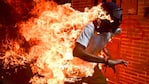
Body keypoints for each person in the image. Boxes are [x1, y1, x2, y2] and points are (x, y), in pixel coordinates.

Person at [67, 2, 128, 84]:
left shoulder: (114, 30)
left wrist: (108, 55)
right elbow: (77, 52)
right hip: (75, 68)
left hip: (92, 66)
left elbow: (98, 43)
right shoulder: (89, 28)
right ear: (104, 16)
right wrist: (106, 61)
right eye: (110, 27)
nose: (111, 31)